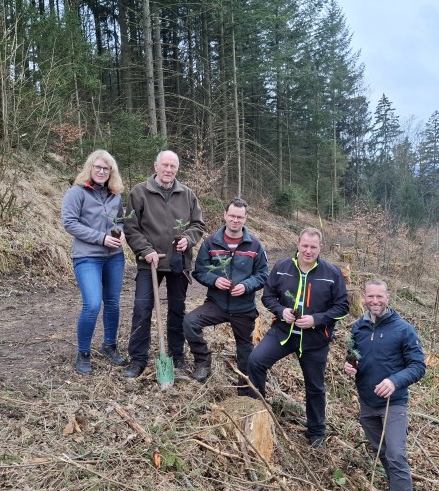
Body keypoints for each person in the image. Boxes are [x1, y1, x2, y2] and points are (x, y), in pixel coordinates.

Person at [247, 227, 349, 448]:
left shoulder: (332, 273)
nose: (308, 250)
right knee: (255, 361)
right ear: (298, 244)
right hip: (283, 332)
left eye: (313, 247)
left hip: (315, 340)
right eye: (305, 245)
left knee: (315, 387)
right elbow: (268, 296)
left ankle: (316, 434)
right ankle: (258, 411)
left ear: (320, 247)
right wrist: (280, 311)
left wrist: (316, 319)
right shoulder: (282, 267)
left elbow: (342, 307)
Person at [344, 279, 426, 491]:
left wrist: (394, 381)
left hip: (394, 405)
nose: (375, 301)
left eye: (380, 296)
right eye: (370, 296)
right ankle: (398, 489)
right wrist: (350, 367)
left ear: (388, 298)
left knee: (396, 455)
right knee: (382, 455)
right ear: (364, 298)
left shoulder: (403, 330)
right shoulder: (359, 327)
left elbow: (418, 366)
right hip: (367, 404)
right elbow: (353, 356)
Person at [123, 150, 205, 378]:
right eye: (165, 165)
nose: (169, 170)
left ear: (177, 170)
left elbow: (198, 224)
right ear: (156, 166)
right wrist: (145, 250)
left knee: (177, 310)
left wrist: (188, 240)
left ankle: (177, 356)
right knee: (142, 308)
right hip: (148, 262)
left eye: (173, 167)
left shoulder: (187, 194)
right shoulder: (139, 192)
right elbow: (130, 227)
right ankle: (138, 359)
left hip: (179, 263)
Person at [183, 198, 269, 384]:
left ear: (245, 219)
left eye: (240, 217)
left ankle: (245, 386)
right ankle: (203, 362)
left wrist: (246, 285)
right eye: (232, 216)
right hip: (217, 303)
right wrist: (214, 281)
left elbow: (263, 274)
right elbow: (199, 271)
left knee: (245, 348)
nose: (235, 220)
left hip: (244, 306)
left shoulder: (255, 245)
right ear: (225, 215)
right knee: (189, 322)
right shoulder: (210, 243)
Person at [61, 149, 129, 375]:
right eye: (97, 167)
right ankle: (83, 353)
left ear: (112, 172)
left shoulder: (115, 194)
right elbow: (69, 223)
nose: (101, 171)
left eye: (106, 168)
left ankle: (109, 346)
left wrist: (122, 232)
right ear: (90, 168)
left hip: (114, 258)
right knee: (92, 304)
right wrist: (101, 238)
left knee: (113, 303)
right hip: (87, 256)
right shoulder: (76, 192)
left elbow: (120, 220)